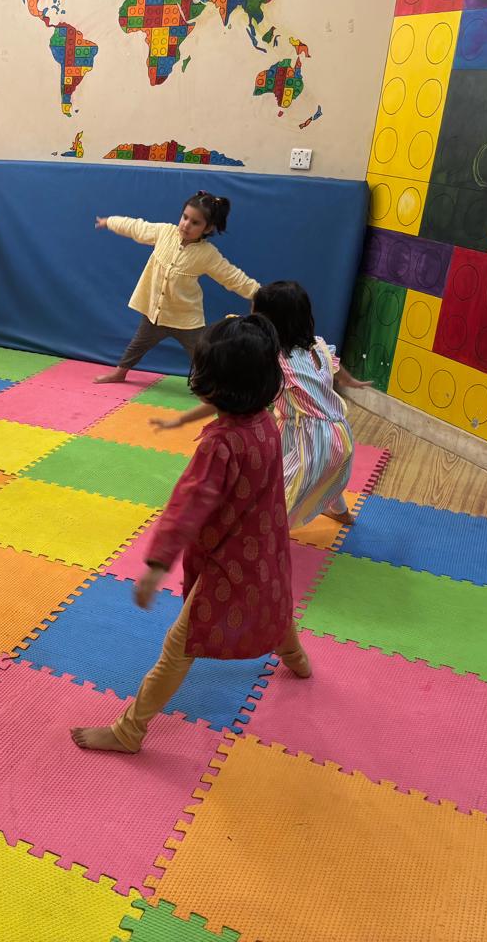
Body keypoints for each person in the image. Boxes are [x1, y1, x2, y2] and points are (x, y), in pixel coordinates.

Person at [71, 315, 311, 754]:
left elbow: (187, 507)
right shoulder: (264, 422)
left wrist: (155, 566)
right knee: (274, 603)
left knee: (178, 648)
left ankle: (128, 732)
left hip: (228, 564)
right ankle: (296, 659)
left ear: (212, 386)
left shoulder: (219, 446)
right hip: (268, 551)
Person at [157, 281, 373, 527]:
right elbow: (336, 367)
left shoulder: (278, 362)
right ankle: (340, 512)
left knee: (282, 491)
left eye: (254, 314)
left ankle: (268, 533)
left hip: (311, 439)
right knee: (324, 474)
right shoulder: (317, 345)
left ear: (270, 322)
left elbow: (233, 399)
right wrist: (350, 380)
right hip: (339, 433)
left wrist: (183, 418)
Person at [93, 191, 260, 385]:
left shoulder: (207, 254)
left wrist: (258, 293)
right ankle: (119, 373)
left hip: (185, 319)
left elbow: (232, 276)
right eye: (185, 217)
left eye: (195, 222)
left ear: (208, 228)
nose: (186, 224)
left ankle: (213, 385)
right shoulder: (164, 232)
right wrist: (110, 221)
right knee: (137, 345)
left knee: (201, 354)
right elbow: (136, 227)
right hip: (155, 314)